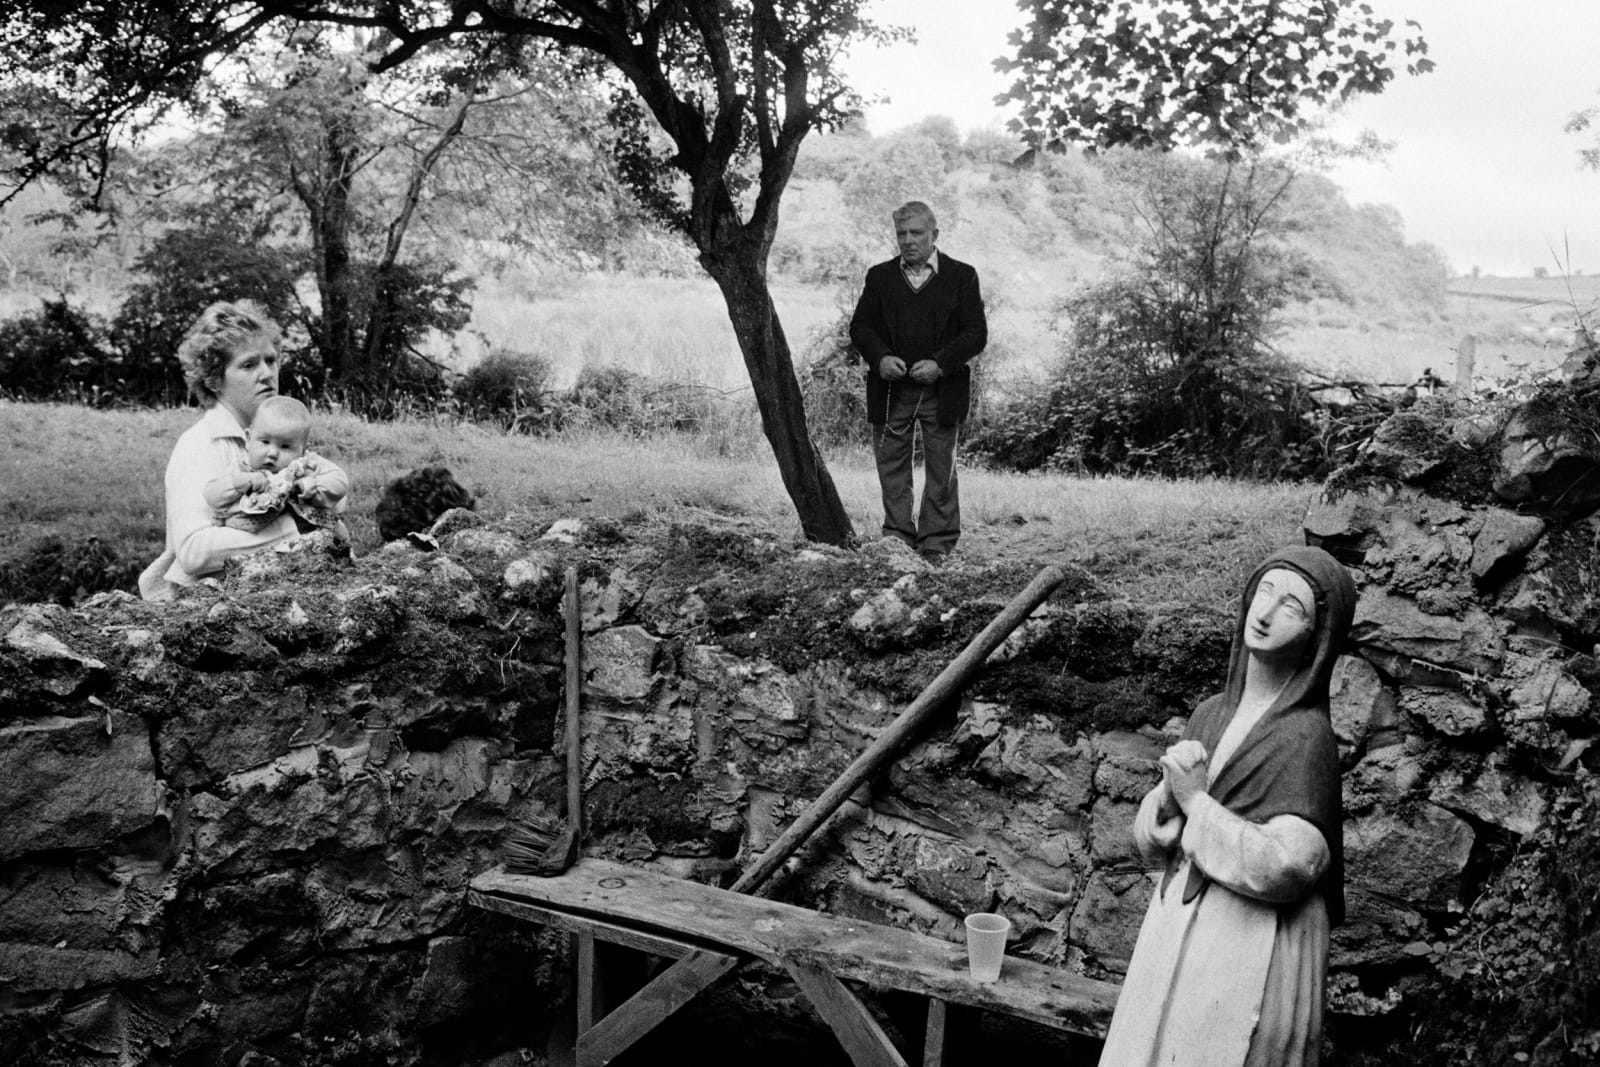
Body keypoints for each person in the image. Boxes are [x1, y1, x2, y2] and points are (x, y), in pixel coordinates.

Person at [1097, 545, 1357, 1067]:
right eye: (1264, 592)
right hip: (1174, 933)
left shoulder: (1305, 739)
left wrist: (1196, 801)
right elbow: (1152, 841)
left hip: (1245, 947)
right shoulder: (1211, 714)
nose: (1264, 614)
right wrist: (1167, 803)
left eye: (1292, 607)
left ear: (1317, 636)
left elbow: (1292, 866)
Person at [138, 300, 350, 600]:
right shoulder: (200, 444)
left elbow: (334, 502)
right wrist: (300, 533)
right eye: (249, 364)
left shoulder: (281, 435)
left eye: (271, 361)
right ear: (214, 379)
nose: (266, 374)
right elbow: (194, 553)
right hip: (206, 606)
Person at [848, 201, 986, 563]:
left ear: (934, 235)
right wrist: (880, 358)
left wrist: (940, 364)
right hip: (892, 390)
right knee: (892, 465)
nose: (908, 241)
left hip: (943, 390)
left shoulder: (961, 276)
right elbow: (860, 327)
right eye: (901, 234)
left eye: (916, 233)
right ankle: (897, 539)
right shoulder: (880, 277)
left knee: (942, 466)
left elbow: (976, 334)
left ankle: (936, 544)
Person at [203, 395, 349, 535]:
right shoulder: (241, 468)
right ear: (248, 439)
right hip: (249, 544)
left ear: (303, 450)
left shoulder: (305, 465)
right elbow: (211, 495)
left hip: (308, 539)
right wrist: (239, 483)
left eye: (285, 446)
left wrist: (310, 485)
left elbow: (339, 480)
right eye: (265, 442)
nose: (272, 453)